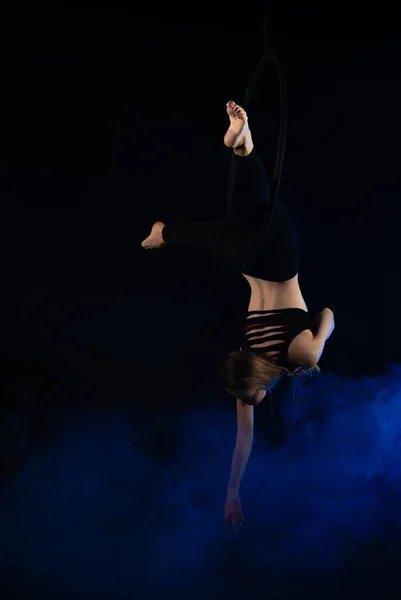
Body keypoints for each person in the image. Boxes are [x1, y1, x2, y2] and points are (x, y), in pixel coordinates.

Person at [141, 101, 335, 531]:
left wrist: (314, 348)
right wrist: (231, 493)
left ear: (259, 385)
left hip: (282, 259)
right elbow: (241, 442)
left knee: (266, 209)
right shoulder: (248, 356)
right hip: (244, 260)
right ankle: (170, 229)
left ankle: (244, 146)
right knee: (240, 217)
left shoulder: (297, 356)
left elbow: (328, 314)